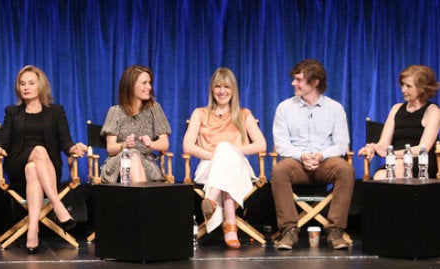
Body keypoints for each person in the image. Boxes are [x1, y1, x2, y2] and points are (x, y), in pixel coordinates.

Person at [0, 65, 87, 254]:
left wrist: (74, 148)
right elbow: (4, 141)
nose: (25, 87)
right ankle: (58, 207)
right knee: (38, 151)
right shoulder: (12, 112)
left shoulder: (56, 111)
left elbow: (65, 141)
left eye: (31, 83)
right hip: (17, 163)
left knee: (33, 168)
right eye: (22, 83)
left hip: (48, 168)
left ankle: (32, 230)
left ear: (40, 86)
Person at [271, 59, 355, 250]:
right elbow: (281, 144)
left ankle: (335, 230)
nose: (294, 83)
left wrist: (320, 155)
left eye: (299, 80)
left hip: (325, 162)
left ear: (315, 82)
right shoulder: (284, 108)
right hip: (296, 162)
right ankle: (289, 230)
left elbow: (342, 144)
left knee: (346, 169)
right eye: (294, 79)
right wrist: (302, 156)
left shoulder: (335, 108)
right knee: (279, 171)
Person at [182, 67, 266, 249]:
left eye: (226, 87)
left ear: (233, 90)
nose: (222, 91)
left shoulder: (244, 114)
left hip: (238, 167)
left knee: (226, 153)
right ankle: (231, 226)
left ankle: (211, 200)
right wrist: (218, 155)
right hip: (208, 166)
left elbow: (261, 145)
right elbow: (188, 146)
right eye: (218, 87)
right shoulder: (200, 113)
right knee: (224, 155)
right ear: (212, 90)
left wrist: (229, 151)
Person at [357, 65, 440, 179]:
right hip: (396, 161)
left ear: (422, 88)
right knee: (380, 176)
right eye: (402, 85)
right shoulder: (396, 109)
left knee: (389, 174)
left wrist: (391, 154)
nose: (403, 90)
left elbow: (422, 149)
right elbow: (384, 144)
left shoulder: (433, 111)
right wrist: (373, 148)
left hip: (421, 163)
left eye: (408, 86)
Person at [100, 65, 171, 183]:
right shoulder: (115, 111)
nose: (149, 87)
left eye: (150, 83)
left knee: (135, 156)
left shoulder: (155, 108)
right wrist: (124, 145)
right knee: (132, 153)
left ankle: (138, 198)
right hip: (119, 163)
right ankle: (141, 199)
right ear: (130, 85)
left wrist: (151, 144)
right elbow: (111, 148)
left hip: (146, 163)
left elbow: (164, 144)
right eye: (144, 83)